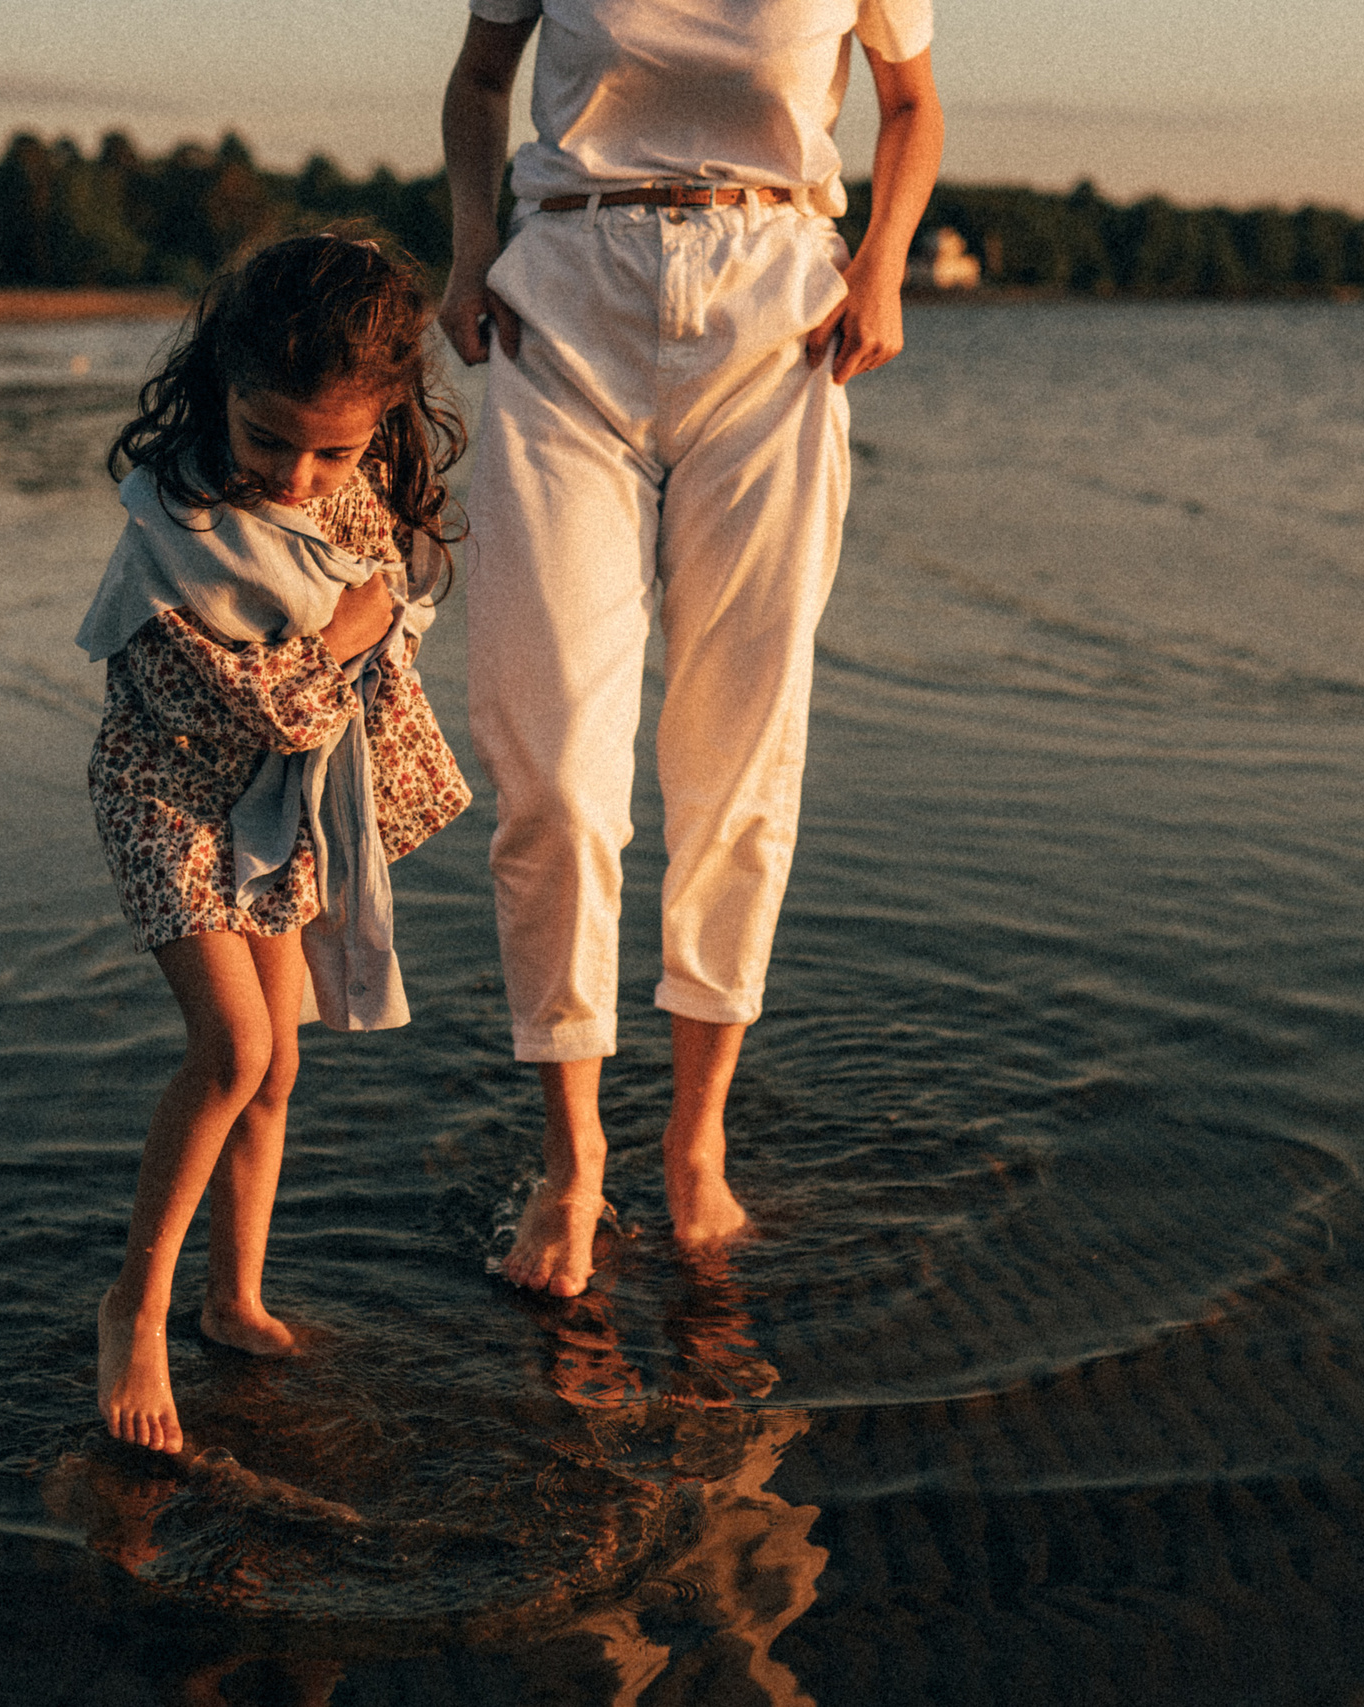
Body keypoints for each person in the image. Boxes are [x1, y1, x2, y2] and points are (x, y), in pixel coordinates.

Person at [437, 0, 945, 1297]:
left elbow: (910, 106)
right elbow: (481, 75)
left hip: (775, 317)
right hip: (566, 304)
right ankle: (570, 1162)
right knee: (550, 765)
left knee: (740, 752)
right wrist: (467, 246)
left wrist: (883, 257)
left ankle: (694, 1138)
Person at [79, 233, 474, 1453]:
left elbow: (382, 618)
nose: (298, 476)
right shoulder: (182, 520)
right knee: (230, 1046)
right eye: (268, 439)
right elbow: (292, 696)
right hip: (168, 797)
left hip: (273, 799)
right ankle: (133, 1312)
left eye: (336, 449)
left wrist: (364, 627)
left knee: (281, 1061)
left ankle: (230, 1293)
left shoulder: (343, 488)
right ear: (219, 389)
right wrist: (355, 631)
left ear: (385, 418)